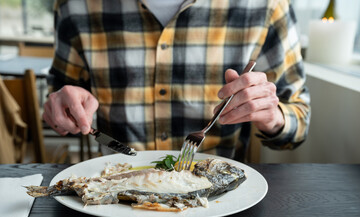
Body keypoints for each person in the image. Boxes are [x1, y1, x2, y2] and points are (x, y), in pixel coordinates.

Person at [43, 0, 310, 161]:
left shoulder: (267, 5)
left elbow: (298, 122)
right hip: (115, 194)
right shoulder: (73, 5)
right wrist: (62, 106)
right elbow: (59, 96)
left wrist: (271, 116)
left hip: (218, 200)